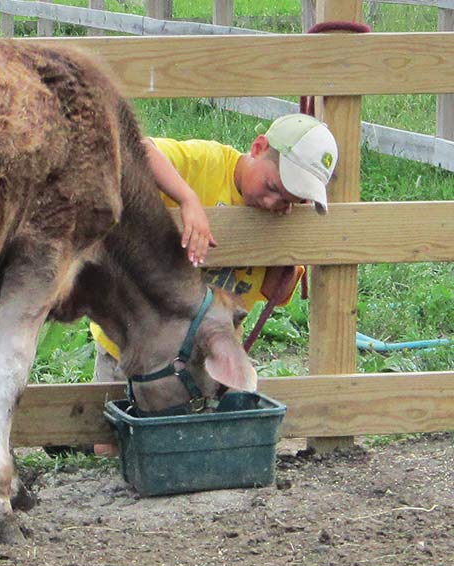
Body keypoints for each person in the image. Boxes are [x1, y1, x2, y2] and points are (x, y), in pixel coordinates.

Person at [90, 113, 339, 384]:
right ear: (258, 147)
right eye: (272, 187)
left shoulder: (281, 219)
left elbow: (273, 293)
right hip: (132, 347)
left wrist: (284, 247)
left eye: (290, 200)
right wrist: (187, 199)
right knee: (111, 416)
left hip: (207, 361)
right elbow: (136, 149)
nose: (272, 203)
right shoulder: (207, 162)